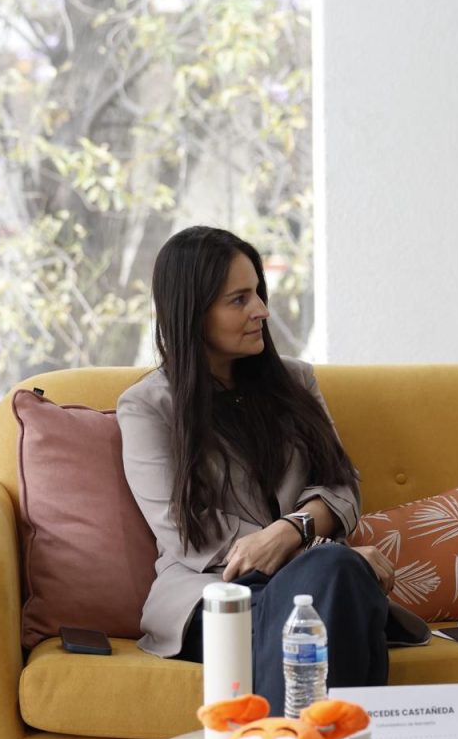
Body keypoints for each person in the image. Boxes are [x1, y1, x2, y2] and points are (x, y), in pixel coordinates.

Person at [118, 226, 427, 711]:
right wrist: (318, 553)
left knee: (327, 590)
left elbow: (342, 487)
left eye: (258, 293)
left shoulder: (296, 382)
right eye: (238, 299)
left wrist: (292, 532)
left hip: (315, 587)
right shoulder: (147, 407)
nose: (261, 310)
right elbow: (187, 532)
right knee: (337, 585)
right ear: (192, 312)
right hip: (215, 595)